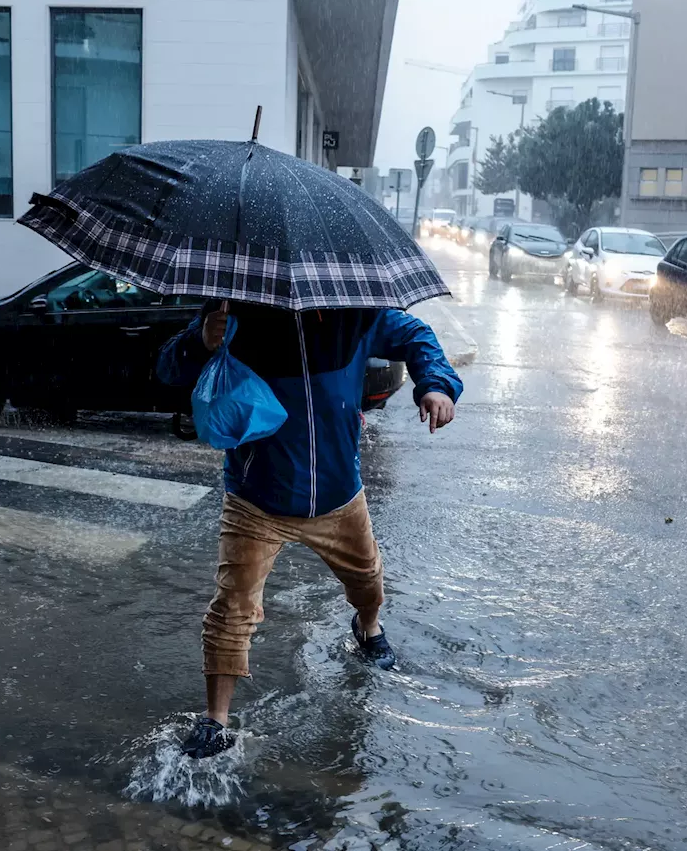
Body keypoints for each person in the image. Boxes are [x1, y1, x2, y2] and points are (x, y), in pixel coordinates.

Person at [157, 301, 462, 759]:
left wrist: (435, 385)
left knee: (367, 581)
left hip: (339, 495)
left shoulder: (354, 313)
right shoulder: (233, 308)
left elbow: (415, 334)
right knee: (232, 609)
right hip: (256, 496)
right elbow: (168, 369)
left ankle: (368, 626)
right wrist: (201, 341)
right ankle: (215, 721)